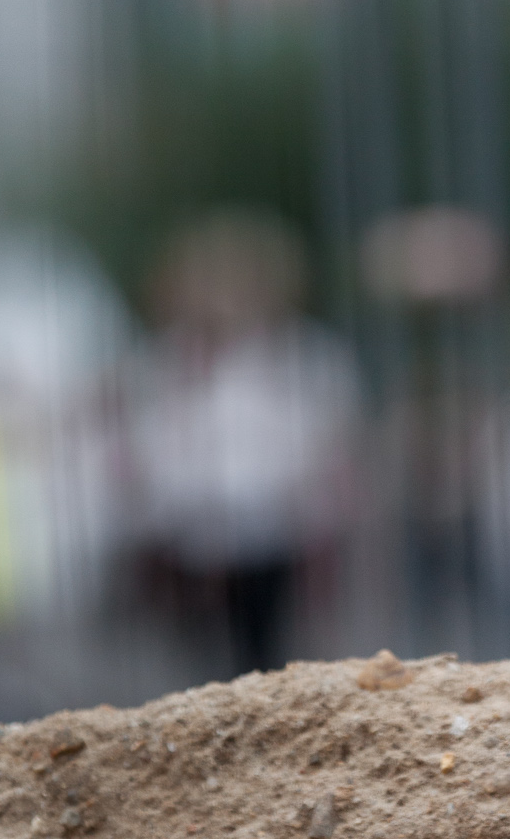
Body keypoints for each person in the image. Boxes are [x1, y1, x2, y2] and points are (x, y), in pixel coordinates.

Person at [125, 213, 360, 675]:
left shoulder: (300, 354)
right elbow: (145, 445)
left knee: (272, 652)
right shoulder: (164, 361)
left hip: (276, 534)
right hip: (187, 539)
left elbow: (322, 436)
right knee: (203, 660)